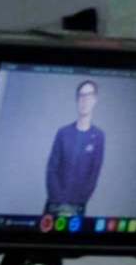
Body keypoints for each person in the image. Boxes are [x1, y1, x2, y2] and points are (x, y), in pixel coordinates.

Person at [42, 77, 111, 223]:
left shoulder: (99, 136)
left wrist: (77, 202)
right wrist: (58, 201)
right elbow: (52, 168)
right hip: (54, 204)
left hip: (77, 207)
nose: (84, 100)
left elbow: (93, 174)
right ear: (77, 100)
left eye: (89, 95)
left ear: (95, 100)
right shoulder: (63, 133)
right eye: (81, 96)